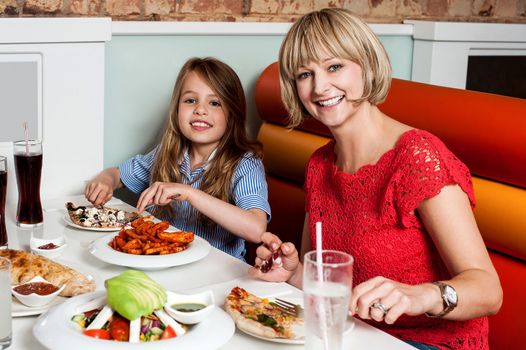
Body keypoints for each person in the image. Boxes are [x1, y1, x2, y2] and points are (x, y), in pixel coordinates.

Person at [248, 8, 502, 350]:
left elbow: (489, 291)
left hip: (429, 343)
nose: (320, 86)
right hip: (351, 338)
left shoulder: (417, 156)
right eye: (305, 74)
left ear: (366, 65)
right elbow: (323, 281)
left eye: (334, 66)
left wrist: (420, 296)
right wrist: (292, 272)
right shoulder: (320, 165)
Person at [85, 57, 270, 260]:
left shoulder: (245, 163)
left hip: (216, 273)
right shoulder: (167, 153)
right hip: (164, 264)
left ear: (233, 114)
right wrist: (105, 180)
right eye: (190, 100)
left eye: (215, 103)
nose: (200, 110)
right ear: (177, 108)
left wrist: (189, 193)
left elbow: (256, 229)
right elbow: (118, 174)